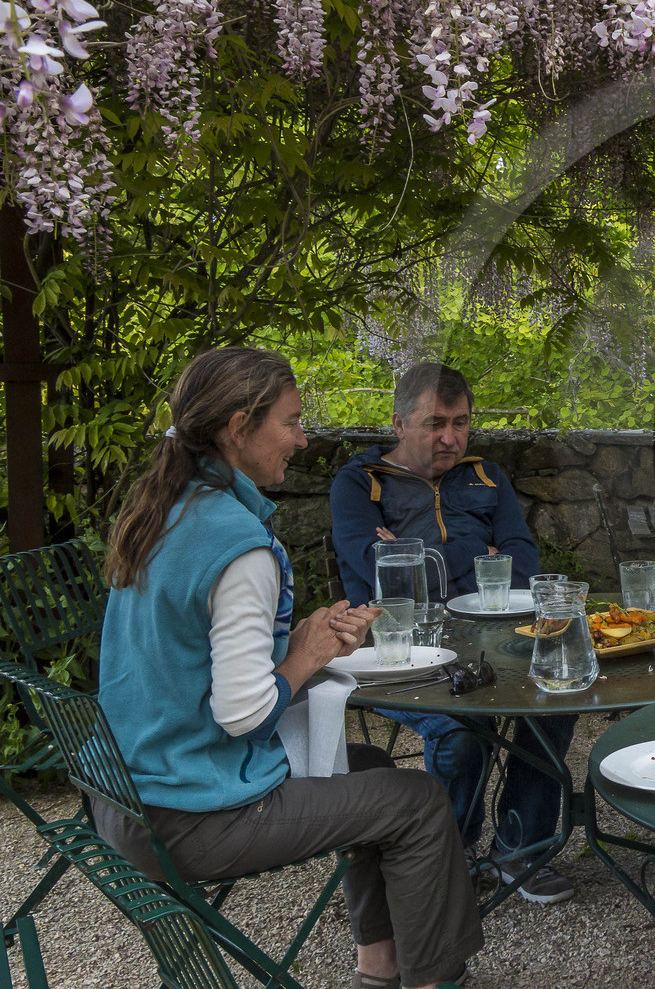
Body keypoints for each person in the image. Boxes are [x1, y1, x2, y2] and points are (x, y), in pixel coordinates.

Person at [95, 347, 482, 989]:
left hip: (126, 797)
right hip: (189, 815)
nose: (302, 440)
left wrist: (305, 639)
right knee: (417, 801)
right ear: (238, 428)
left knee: (374, 769)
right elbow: (243, 713)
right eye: (291, 422)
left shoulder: (163, 511)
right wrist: (304, 656)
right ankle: (435, 979)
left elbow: (197, 662)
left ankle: (380, 966)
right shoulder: (239, 544)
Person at [330, 362, 577, 904]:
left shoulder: (486, 474)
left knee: (559, 693)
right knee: (460, 727)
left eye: (461, 423)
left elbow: (525, 563)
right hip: (397, 648)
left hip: (491, 636)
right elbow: (377, 570)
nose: (450, 437)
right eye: (435, 423)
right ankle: (446, 855)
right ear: (398, 423)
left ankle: (521, 848)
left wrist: (413, 554)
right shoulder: (358, 483)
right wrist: (477, 554)